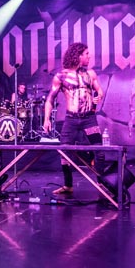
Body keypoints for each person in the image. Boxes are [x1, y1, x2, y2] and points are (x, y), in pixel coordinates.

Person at [43, 42, 104, 195]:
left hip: (89, 118)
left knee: (99, 151)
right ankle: (68, 185)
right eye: (86, 54)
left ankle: (102, 184)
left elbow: (99, 91)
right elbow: (50, 99)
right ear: (78, 56)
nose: (89, 56)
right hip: (71, 119)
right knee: (64, 152)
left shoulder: (90, 74)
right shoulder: (61, 76)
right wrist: (46, 119)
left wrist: (98, 96)